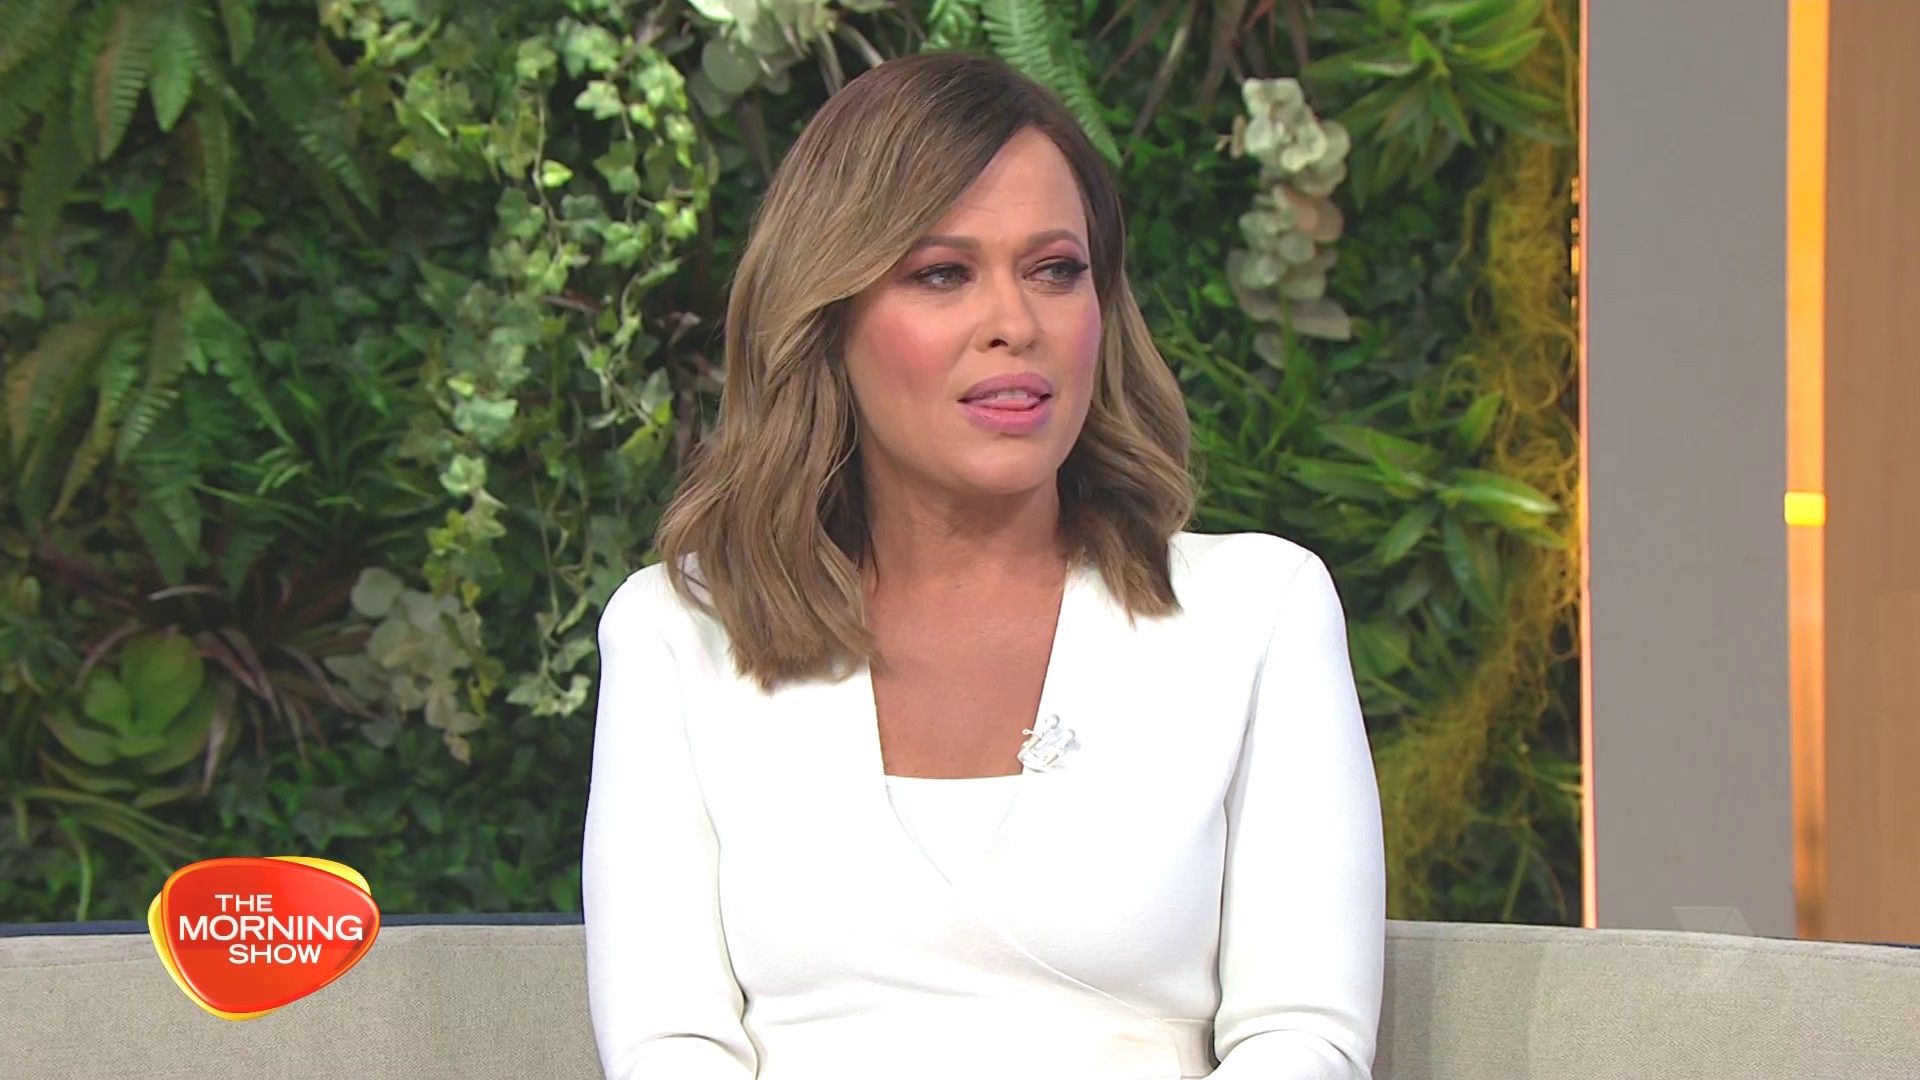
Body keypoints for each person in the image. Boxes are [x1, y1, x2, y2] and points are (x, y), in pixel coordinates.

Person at [581, 50, 1385, 1080]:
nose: (1016, 324)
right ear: (829, 316)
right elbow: (669, 1045)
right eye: (942, 274)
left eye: (1055, 270)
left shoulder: (1256, 610)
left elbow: (1304, 1036)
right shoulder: (680, 629)